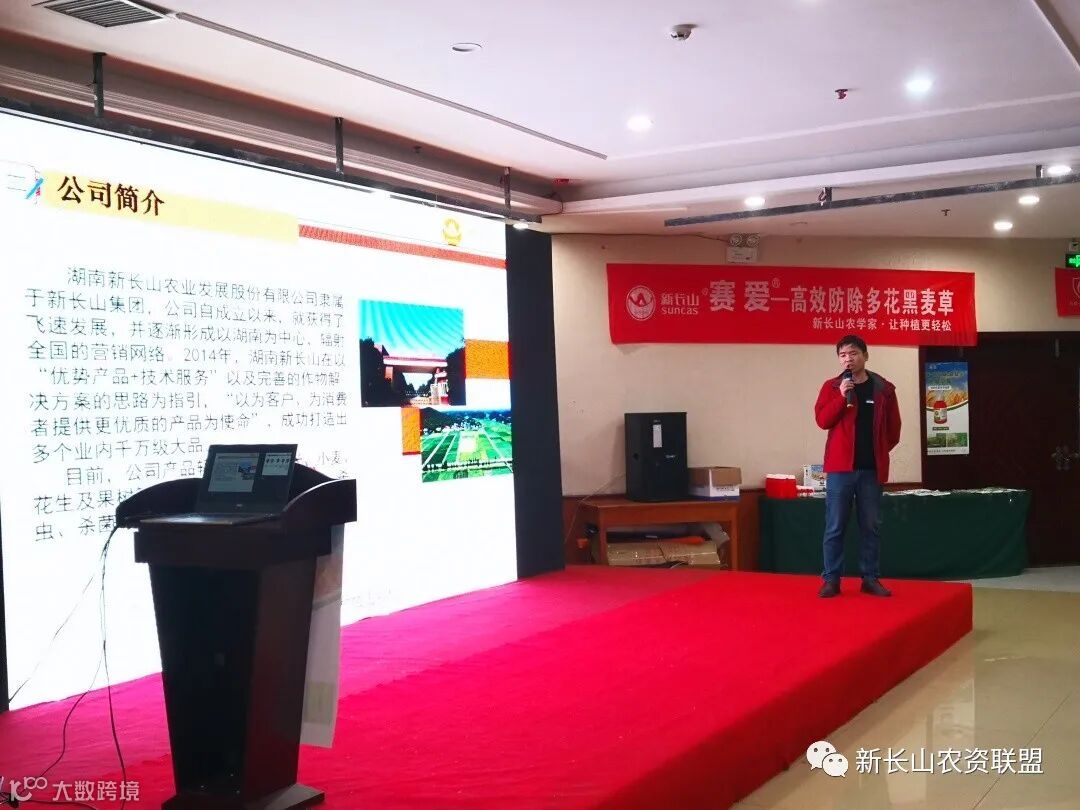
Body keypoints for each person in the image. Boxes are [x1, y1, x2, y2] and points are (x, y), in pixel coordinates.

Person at [814, 335, 901, 598]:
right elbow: (823, 420)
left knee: (870, 527)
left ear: (865, 356)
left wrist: (878, 452)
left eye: (853, 353)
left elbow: (894, 430)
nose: (848, 359)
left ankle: (870, 578)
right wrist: (841, 397)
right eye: (842, 355)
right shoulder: (832, 387)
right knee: (835, 526)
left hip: (871, 470)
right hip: (840, 470)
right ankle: (831, 579)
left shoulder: (883, 388)